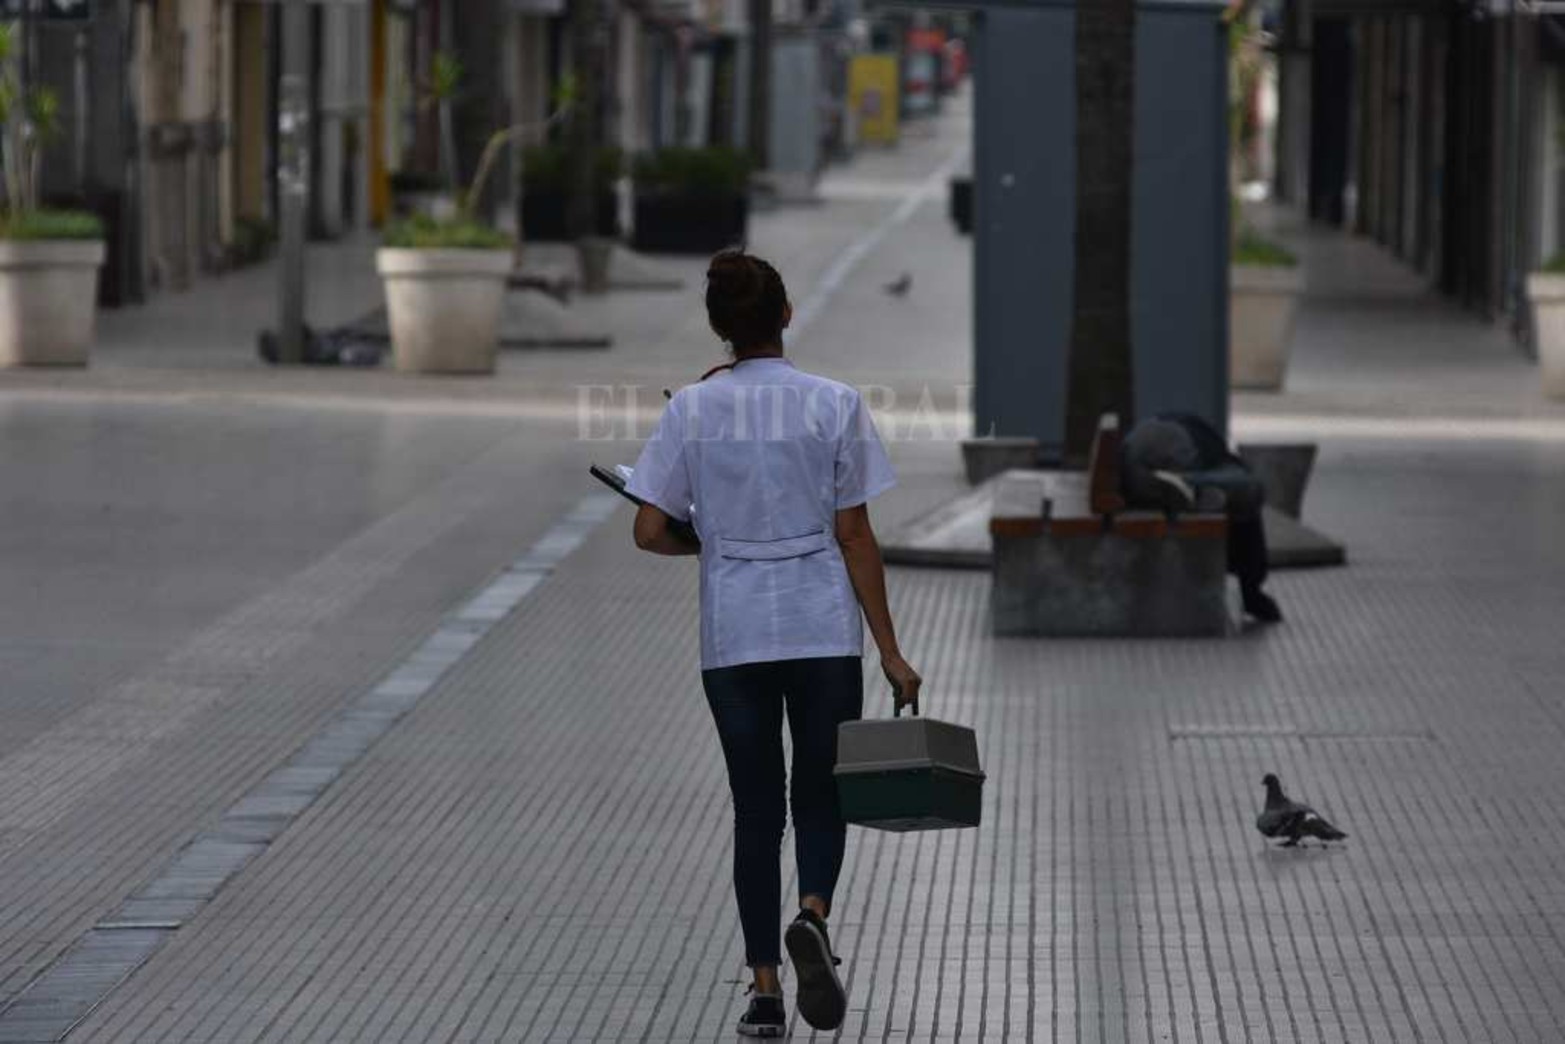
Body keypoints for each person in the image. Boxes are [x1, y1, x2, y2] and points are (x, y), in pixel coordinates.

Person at [625, 251, 922, 1037]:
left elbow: (648, 530)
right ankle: (813, 916)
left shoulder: (691, 409)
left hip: (736, 633)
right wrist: (890, 650)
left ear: (721, 328)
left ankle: (762, 993)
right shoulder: (834, 404)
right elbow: (854, 535)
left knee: (755, 812)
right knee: (820, 792)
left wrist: (714, 542)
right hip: (822, 626)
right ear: (785, 317)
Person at [1119, 412, 1283, 623]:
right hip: (1170, 446)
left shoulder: (1205, 443)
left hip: (1139, 445)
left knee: (1238, 492)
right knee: (1247, 491)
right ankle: (1251, 591)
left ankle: (1177, 490)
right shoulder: (1217, 455)